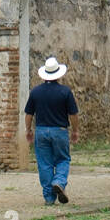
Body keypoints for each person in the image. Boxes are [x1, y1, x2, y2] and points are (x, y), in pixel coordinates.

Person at [24, 56, 80, 205]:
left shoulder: (36, 92)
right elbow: (73, 114)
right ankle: (59, 182)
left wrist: (28, 130)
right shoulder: (65, 92)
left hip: (41, 131)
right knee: (63, 159)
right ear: (59, 75)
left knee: (44, 163)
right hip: (60, 130)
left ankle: (49, 198)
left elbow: (29, 114)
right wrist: (75, 131)